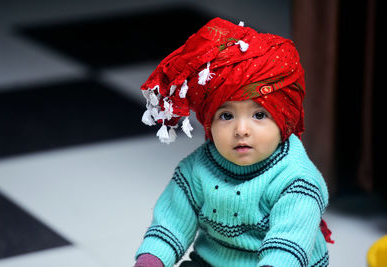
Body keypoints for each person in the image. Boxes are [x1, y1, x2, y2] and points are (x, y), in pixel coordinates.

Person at [134, 17, 333, 267]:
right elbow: (170, 223)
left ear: (284, 120)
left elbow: (287, 248)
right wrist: (151, 260)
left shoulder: (297, 180)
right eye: (226, 116)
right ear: (209, 122)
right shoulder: (197, 169)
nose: (241, 130)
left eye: (259, 115)